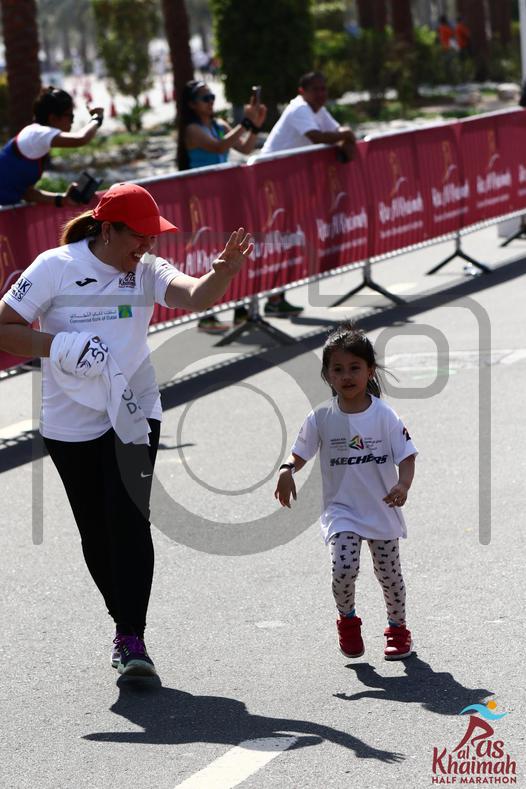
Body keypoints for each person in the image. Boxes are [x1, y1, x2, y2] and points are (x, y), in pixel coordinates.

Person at [0, 182, 253, 678]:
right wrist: (59, 346)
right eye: (138, 235)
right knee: (96, 530)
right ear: (107, 230)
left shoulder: (147, 270)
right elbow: (4, 328)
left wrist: (222, 272)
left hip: (133, 413)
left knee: (129, 518)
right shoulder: (55, 266)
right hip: (70, 421)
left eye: (152, 236)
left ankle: (131, 637)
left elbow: (195, 296)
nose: (147, 245)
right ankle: (124, 622)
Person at [274, 323, 418, 661]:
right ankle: (348, 621)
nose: (346, 375)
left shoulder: (384, 415)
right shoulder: (322, 416)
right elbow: (300, 452)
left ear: (370, 371)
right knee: (343, 567)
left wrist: (403, 484)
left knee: (389, 576)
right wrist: (286, 469)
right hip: (342, 511)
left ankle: (398, 629)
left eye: (355, 367)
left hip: (381, 508)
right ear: (327, 375)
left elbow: (407, 455)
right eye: (337, 369)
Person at [259, 71, 356, 319]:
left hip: (288, 183)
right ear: (302, 91)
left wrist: (344, 136)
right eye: (316, 89)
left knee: (287, 239)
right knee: (274, 242)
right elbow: (319, 137)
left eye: (324, 88)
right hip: (268, 183)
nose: (321, 94)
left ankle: (276, 298)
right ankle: (255, 302)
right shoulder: (299, 108)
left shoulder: (317, 109)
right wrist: (346, 135)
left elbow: (336, 131)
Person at [177, 79, 267, 332]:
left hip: (225, 197)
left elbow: (245, 147)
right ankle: (206, 314)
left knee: (231, 251)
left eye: (212, 97)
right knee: (208, 252)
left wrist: (255, 125)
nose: (210, 102)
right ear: (192, 104)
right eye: (205, 98)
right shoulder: (192, 130)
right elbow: (218, 146)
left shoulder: (219, 125)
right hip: (202, 201)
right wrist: (245, 122)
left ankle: (238, 309)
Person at [0, 85, 104, 207]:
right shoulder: (37, 134)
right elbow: (80, 138)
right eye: (70, 116)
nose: (72, 121)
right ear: (53, 118)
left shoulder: (36, 141)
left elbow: (27, 194)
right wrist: (97, 119)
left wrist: (63, 199)